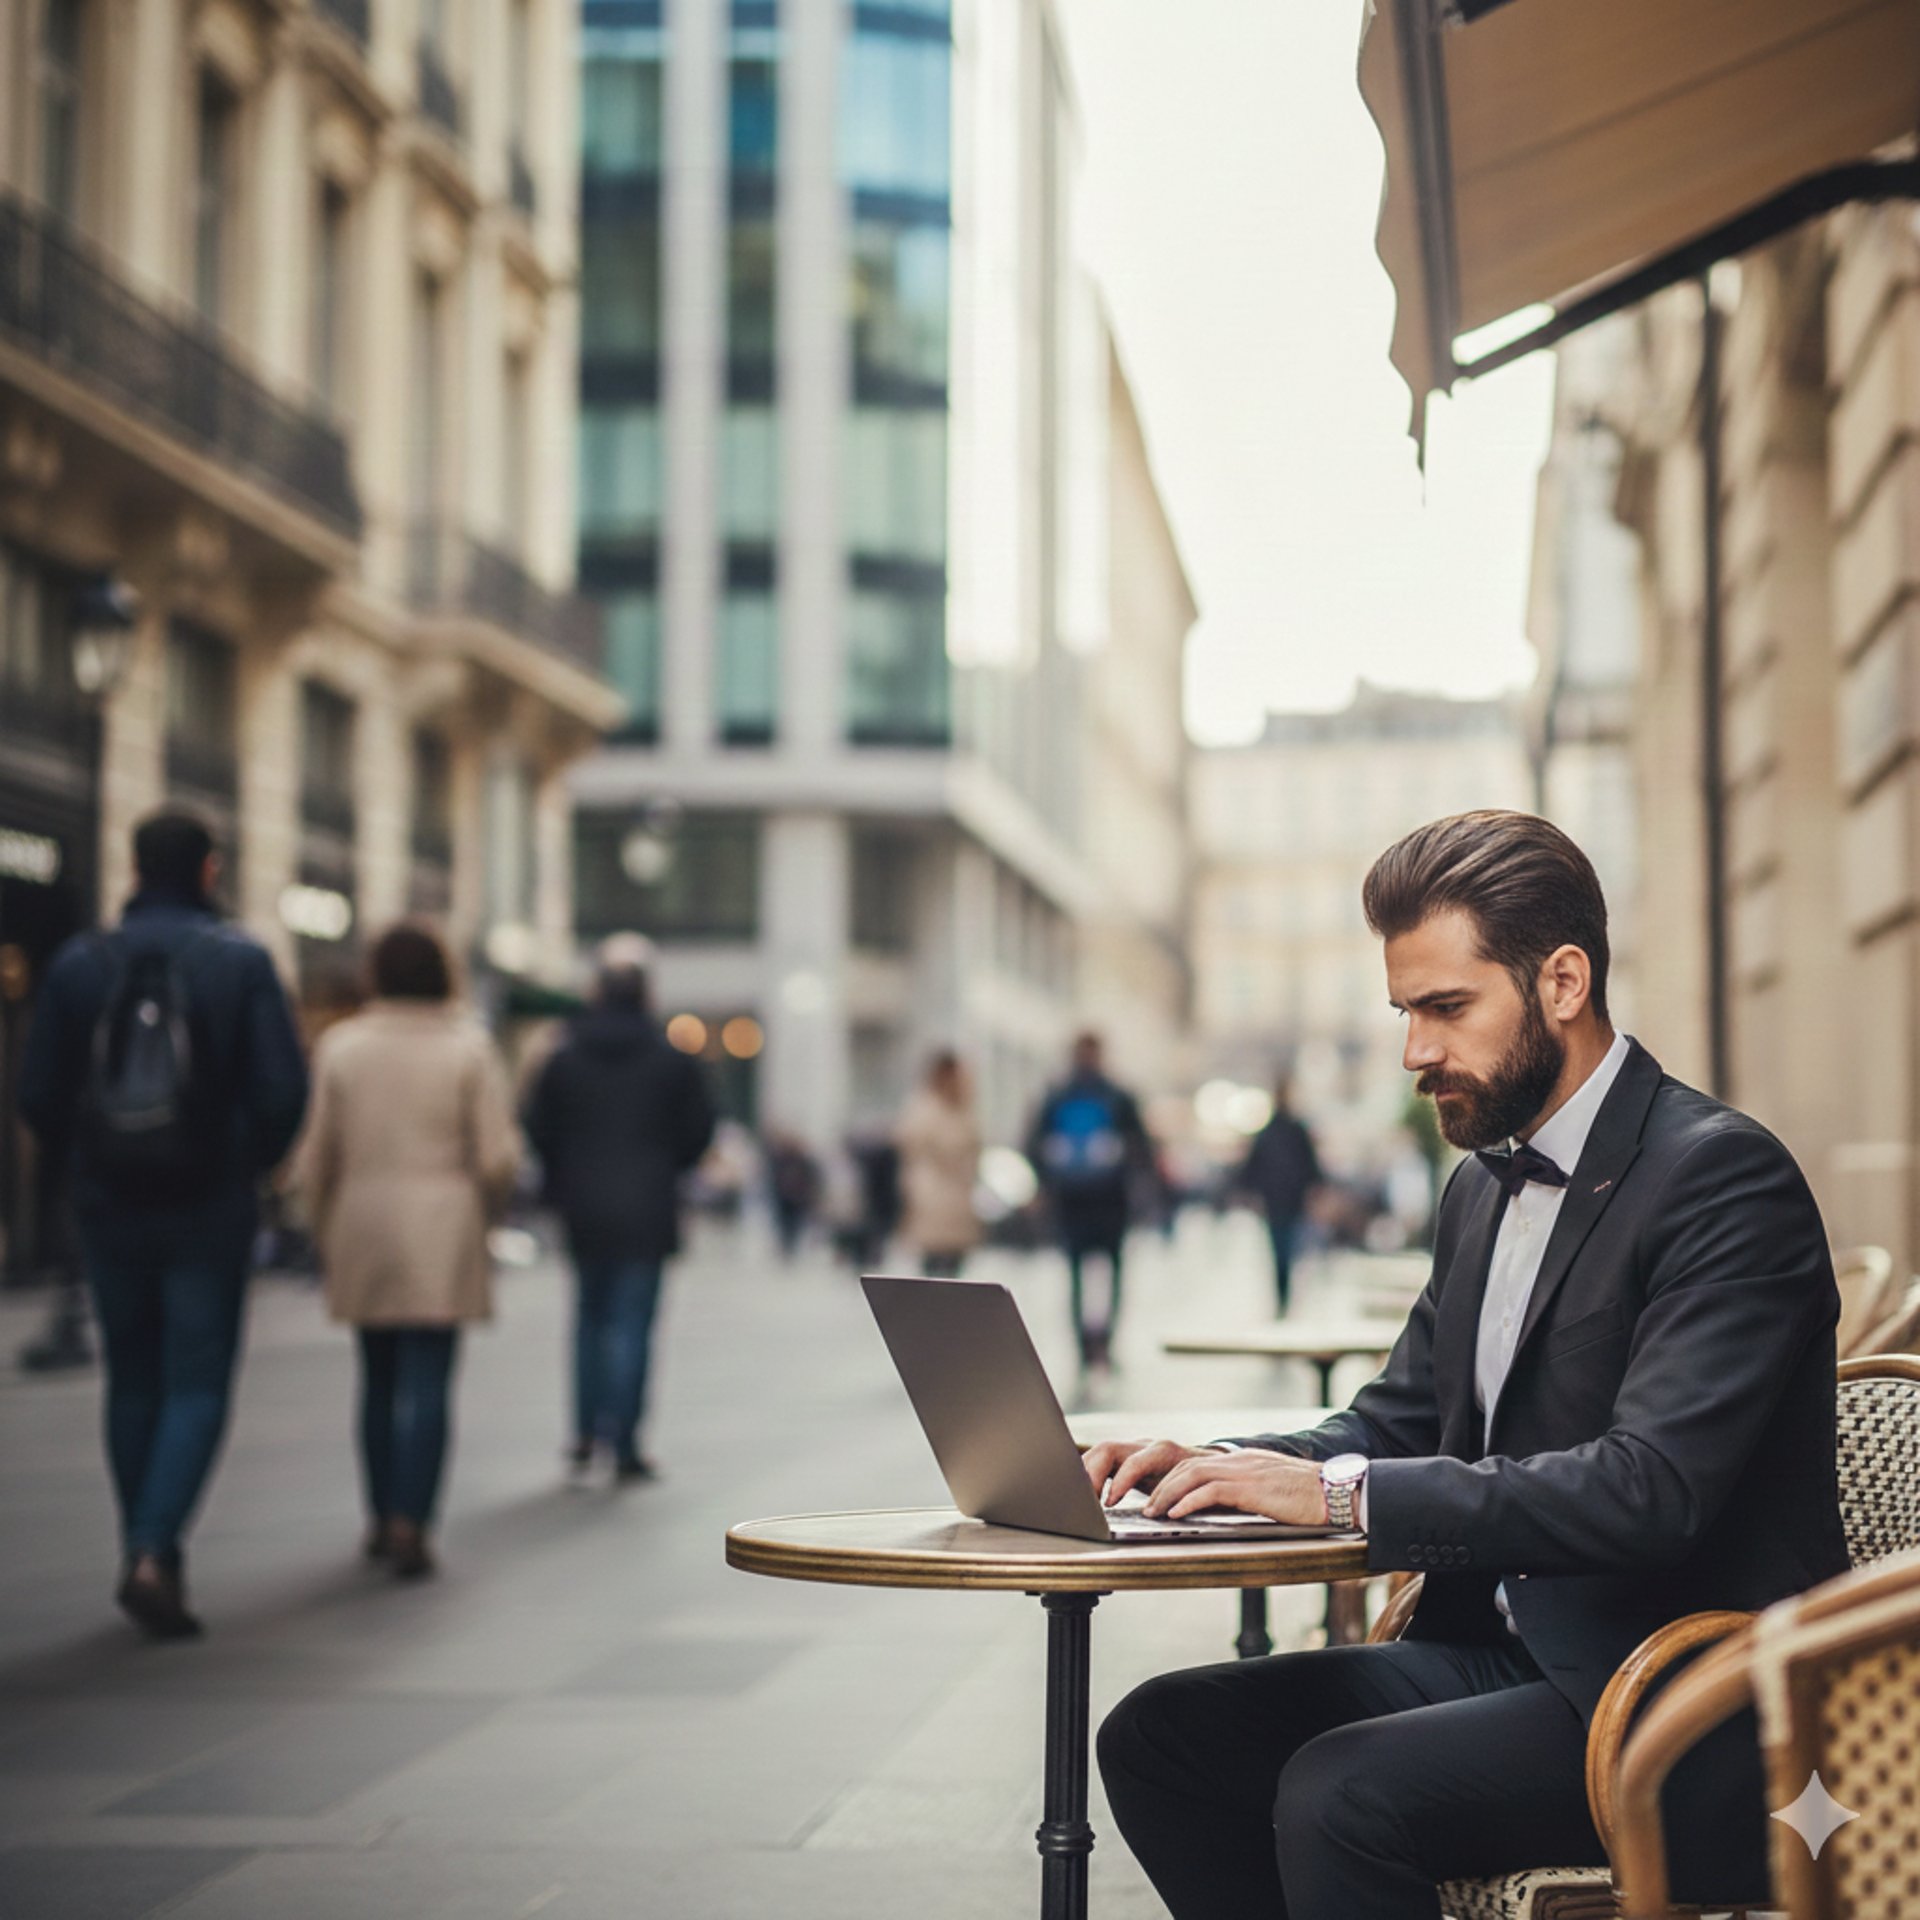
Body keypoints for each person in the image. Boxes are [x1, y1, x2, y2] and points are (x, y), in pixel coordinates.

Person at [1087, 810, 1848, 1919]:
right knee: (1160, 1737)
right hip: (1502, 1654)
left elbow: (1653, 1490)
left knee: (1341, 1790)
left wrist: (1337, 1496)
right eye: (1405, 1011)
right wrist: (1210, 1470)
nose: (1415, 1053)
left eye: (1446, 1009)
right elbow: (1392, 1424)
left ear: (1564, 983)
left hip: (1683, 1700)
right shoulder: (1483, 1188)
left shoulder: (1723, 1180)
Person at [18, 809, 308, 1638]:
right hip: (207, 1206)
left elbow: (37, 1091)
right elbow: (283, 1090)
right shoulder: (239, 962)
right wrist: (241, 1162)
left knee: (134, 1376)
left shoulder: (81, 963)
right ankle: (156, 1546)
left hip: (110, 1206)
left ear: (134, 866)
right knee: (197, 1377)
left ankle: (142, 1548)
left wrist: (90, 1160)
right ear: (210, 871)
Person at [293, 923, 521, 1578]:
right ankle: (410, 1521)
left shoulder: (343, 1046)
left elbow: (315, 1157)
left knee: (377, 1377)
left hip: (362, 1221)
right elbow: (500, 1156)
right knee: (429, 1380)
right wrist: (487, 1213)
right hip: (443, 1226)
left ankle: (378, 1512)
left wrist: (321, 1226)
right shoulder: (467, 1047)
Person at [522, 935, 715, 1481]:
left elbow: (538, 1128)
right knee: (632, 1323)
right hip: (648, 1206)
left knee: (588, 1319)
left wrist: (567, 1172)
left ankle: (585, 1431)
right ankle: (625, 1440)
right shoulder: (671, 1059)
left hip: (581, 1206)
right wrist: (665, 1166)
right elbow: (698, 1132)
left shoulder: (562, 1057)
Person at [1026, 1032, 1149, 1370]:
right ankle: (1091, 1346)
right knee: (1087, 1277)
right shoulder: (1106, 1095)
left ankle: (1100, 1344)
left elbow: (1141, 1146)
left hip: (1099, 1200)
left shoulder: (1070, 1094)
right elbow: (1143, 1147)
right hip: (1085, 1200)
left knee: (1094, 1276)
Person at [1235, 1077, 1322, 1316]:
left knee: (1285, 1251)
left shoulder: (1282, 1131)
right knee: (1284, 1251)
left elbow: (1309, 1166)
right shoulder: (1287, 1131)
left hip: (1285, 1200)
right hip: (1280, 1201)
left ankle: (1284, 1299)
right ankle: (1283, 1298)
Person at [895, 1050, 982, 1278]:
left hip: (958, 1205)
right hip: (933, 1201)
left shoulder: (963, 1111)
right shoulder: (924, 1110)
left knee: (954, 1272)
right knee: (934, 1272)